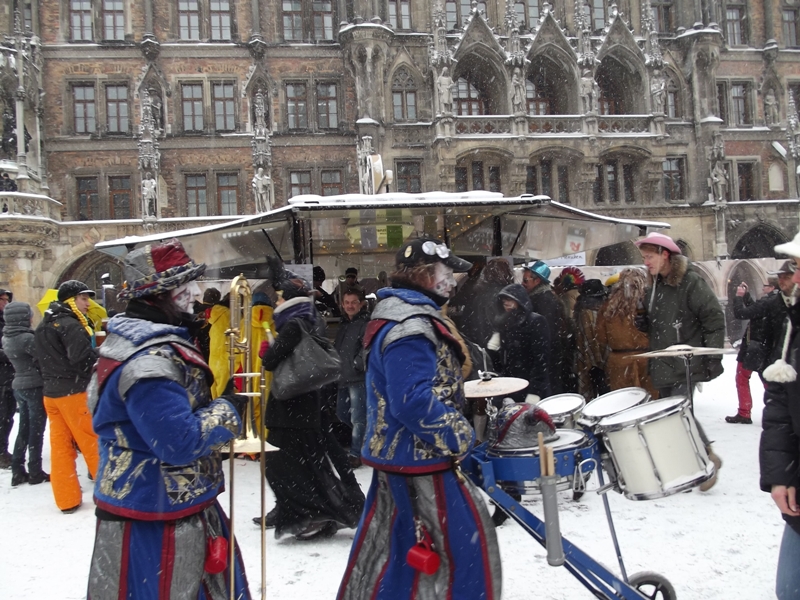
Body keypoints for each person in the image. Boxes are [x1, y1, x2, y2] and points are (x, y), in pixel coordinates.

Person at [86, 239, 251, 599]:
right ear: (156, 295)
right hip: (156, 515)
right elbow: (179, 443)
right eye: (183, 285)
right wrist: (229, 409)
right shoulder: (149, 363)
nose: (194, 293)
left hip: (167, 505)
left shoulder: (137, 342)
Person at [338, 238, 501, 600]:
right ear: (426, 275)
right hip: (417, 464)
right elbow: (411, 401)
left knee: (397, 559)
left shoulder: (405, 314)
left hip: (410, 461)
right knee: (451, 560)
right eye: (447, 273)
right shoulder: (409, 325)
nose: (453, 282)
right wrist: (460, 435)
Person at [254, 269, 365, 539]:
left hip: (291, 407)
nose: (277, 303)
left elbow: (270, 362)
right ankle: (317, 509)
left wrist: (267, 352)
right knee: (308, 462)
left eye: (280, 298)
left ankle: (310, 512)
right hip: (305, 404)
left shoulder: (292, 325)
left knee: (287, 465)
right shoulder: (307, 320)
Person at [635, 232, 725, 491]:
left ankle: (705, 463)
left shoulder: (690, 282)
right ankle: (700, 460)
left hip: (685, 363)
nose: (646, 263)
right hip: (663, 362)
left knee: (681, 414)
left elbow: (713, 318)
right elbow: (661, 324)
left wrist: (713, 356)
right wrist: (645, 324)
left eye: (650, 257)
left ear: (665, 255)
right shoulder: (655, 287)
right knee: (672, 417)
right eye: (644, 258)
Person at [34, 280, 99, 513]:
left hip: (51, 394)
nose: (87, 303)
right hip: (72, 393)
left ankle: (67, 499)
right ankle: (110, 494)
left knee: (60, 448)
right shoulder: (70, 324)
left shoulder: (44, 324)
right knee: (92, 442)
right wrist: (99, 355)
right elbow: (82, 359)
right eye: (83, 298)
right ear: (71, 300)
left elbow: (39, 359)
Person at [759, 232, 800, 600]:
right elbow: (782, 407)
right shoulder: (795, 319)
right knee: (789, 590)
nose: (794, 277)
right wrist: (781, 475)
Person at [729, 270, 792, 424]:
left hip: (755, 347)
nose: (763, 288)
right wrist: (747, 297)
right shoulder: (776, 301)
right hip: (765, 347)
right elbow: (756, 311)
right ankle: (780, 410)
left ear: (772, 287)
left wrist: (738, 297)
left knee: (744, 378)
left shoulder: (769, 302)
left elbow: (742, 313)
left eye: (765, 286)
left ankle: (745, 412)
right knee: (767, 380)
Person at [2, 301, 49, 486]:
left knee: (24, 429)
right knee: (36, 431)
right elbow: (42, 358)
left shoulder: (7, 337)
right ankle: (35, 471)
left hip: (18, 385)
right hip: (34, 386)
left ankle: (17, 470)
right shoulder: (26, 338)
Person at [595, 268, 657, 398]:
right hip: (648, 360)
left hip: (619, 363)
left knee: (623, 404)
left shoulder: (608, 307)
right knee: (650, 405)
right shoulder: (649, 304)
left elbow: (601, 337)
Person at [488, 283, 551, 403]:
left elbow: (541, 361)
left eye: (510, 299)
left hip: (530, 385)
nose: (506, 303)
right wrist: (493, 350)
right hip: (512, 386)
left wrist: (535, 392)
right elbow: (501, 363)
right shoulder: (504, 323)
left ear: (520, 300)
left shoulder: (535, 321)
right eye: (503, 300)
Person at [334, 288, 369, 469]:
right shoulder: (344, 324)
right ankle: (367, 437)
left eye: (353, 302)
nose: (350, 306)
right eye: (347, 302)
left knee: (357, 417)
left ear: (361, 304)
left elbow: (367, 348)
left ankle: (356, 454)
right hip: (343, 377)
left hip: (358, 377)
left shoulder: (365, 323)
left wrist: (358, 364)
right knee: (342, 413)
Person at [522, 260, 569, 393]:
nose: (522, 283)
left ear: (537, 281)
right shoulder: (539, 298)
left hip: (547, 358)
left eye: (526, 280)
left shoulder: (544, 300)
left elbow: (547, 333)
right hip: (546, 357)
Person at [574, 279, 609, 400]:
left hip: (588, 359)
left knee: (597, 388)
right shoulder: (603, 309)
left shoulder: (582, 310)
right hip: (605, 357)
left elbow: (585, 338)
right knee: (606, 392)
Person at [0, 288, 14, 469]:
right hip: (2, 376)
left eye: (6, 300)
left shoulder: (6, 322)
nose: (5, 303)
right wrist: (11, 352)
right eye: (2, 300)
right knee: (3, 416)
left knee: (7, 416)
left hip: (9, 375)